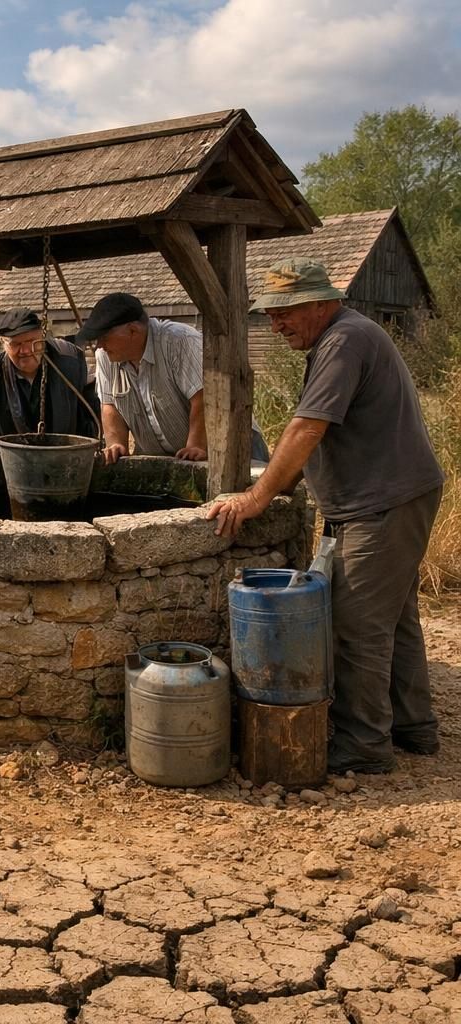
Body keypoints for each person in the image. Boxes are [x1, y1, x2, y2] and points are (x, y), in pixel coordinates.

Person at [204, 258, 445, 775]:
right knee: (394, 620)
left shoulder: (343, 340)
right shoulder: (344, 336)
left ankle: (364, 744)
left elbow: (306, 428)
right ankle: (413, 727)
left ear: (319, 302)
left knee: (357, 625)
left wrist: (254, 498)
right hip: (393, 495)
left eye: (285, 311)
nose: (277, 324)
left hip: (382, 502)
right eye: (271, 315)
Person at [77, 292, 268, 464]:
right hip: (169, 456)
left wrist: (196, 445)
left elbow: (205, 397)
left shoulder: (180, 341)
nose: (99, 345)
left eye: (104, 337)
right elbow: (110, 405)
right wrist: (116, 445)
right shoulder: (107, 356)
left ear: (133, 330)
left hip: (233, 452)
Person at [0, 307, 97, 452]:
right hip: (15, 462)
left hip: (69, 458)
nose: (25, 351)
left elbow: (99, 400)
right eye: (16, 344)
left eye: (32, 341)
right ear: (2, 342)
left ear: (42, 336)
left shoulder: (70, 359)